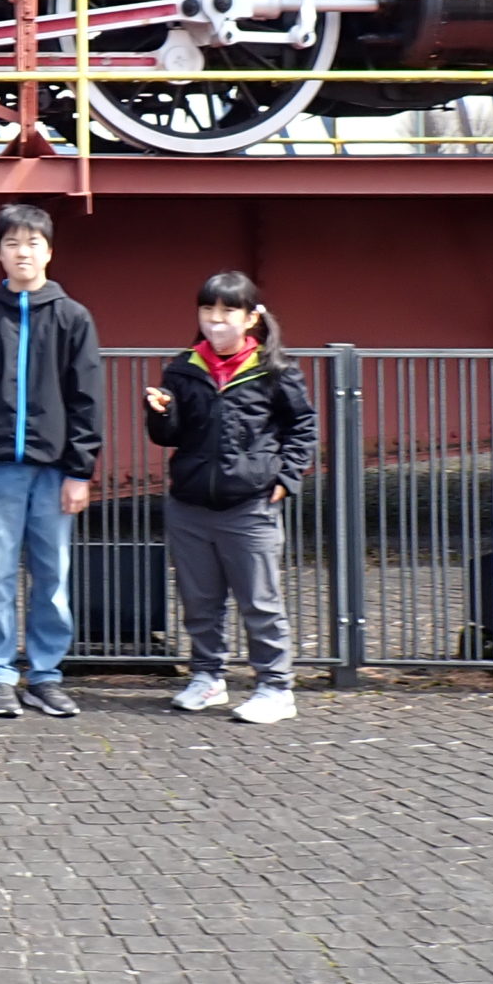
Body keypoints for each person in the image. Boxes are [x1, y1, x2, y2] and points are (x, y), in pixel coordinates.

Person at [144, 271, 317, 726]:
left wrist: (287, 477)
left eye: (226, 311)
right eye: (207, 310)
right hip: (190, 503)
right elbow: (170, 436)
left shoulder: (275, 369)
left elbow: (303, 425)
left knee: (260, 601)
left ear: (250, 318)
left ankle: (275, 686)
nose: (215, 320)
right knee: (200, 601)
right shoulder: (183, 367)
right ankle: (207, 676)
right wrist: (160, 415)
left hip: (250, 504)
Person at [0, 202, 103, 719]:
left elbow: (87, 398)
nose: (23, 252)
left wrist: (80, 470)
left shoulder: (72, 316)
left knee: (53, 575)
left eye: (32, 243)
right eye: (12, 243)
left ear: (49, 251)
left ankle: (45, 674)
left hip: (53, 468)